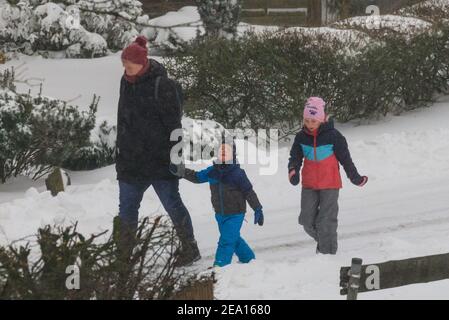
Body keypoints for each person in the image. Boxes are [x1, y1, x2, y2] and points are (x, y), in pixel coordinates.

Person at [115, 35, 200, 267]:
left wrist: (175, 158)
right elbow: (122, 119)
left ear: (142, 63)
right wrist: (120, 153)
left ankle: (190, 248)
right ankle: (124, 257)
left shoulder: (162, 86)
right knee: (127, 209)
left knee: (173, 204)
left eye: (129, 64)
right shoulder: (125, 82)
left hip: (160, 161)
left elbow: (174, 126)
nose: (126, 68)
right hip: (131, 162)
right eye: (124, 64)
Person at [288, 97, 368, 254]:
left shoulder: (334, 136)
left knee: (326, 221)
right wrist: (293, 170)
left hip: (330, 184)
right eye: (306, 120)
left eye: (313, 121)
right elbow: (295, 157)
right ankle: (326, 243)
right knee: (306, 220)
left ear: (322, 119)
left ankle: (327, 255)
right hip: (309, 185)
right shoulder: (301, 137)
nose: (309, 124)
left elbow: (346, 160)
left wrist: (355, 178)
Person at [170, 143, 264, 267]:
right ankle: (248, 258)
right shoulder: (212, 171)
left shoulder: (238, 173)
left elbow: (249, 192)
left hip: (236, 214)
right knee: (233, 239)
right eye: (221, 149)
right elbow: (197, 177)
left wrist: (258, 208)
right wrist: (181, 171)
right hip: (220, 214)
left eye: (228, 149)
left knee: (226, 241)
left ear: (233, 154)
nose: (224, 150)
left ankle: (220, 266)